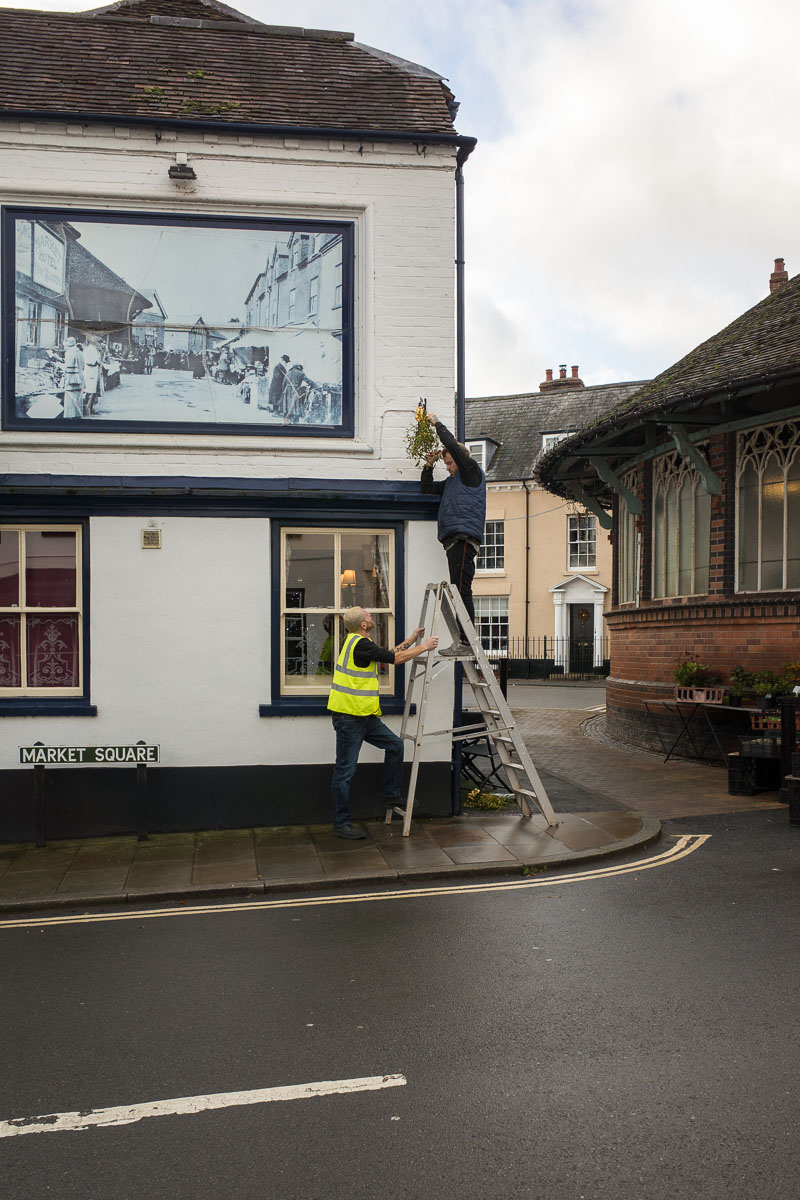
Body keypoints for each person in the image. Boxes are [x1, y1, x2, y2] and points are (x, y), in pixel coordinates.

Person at [327, 606, 438, 839]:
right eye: (367, 615)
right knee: (344, 772)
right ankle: (341, 824)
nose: (370, 615)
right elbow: (395, 659)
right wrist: (424, 647)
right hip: (349, 718)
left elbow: (387, 654)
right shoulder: (360, 644)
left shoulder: (356, 642)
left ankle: (390, 794)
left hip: (364, 716)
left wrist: (410, 640)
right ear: (364, 625)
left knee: (395, 745)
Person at [420, 413, 486, 655]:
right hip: (453, 542)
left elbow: (450, 444)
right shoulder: (450, 484)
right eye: (445, 464)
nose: (447, 468)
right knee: (459, 589)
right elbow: (426, 489)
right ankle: (465, 640)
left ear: (460, 459)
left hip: (463, 539)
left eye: (449, 463)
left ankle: (467, 642)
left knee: (462, 590)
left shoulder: (471, 472)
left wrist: (436, 422)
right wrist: (429, 464)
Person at [62, 337, 84, 419]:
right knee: (78, 399)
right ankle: (77, 416)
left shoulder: (69, 353)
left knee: (70, 401)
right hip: (79, 379)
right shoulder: (80, 352)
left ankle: (69, 418)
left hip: (71, 379)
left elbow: (68, 367)